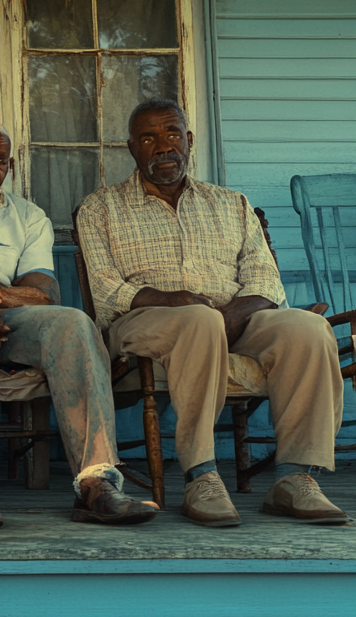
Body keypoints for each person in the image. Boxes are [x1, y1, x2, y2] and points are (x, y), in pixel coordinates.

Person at [79, 99, 346, 527]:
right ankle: (201, 475)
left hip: (234, 318)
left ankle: (295, 478)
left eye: (172, 134)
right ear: (132, 148)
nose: (163, 146)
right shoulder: (101, 208)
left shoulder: (231, 204)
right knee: (198, 320)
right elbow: (107, 292)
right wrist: (177, 302)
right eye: (149, 137)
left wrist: (229, 315)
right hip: (147, 320)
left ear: (188, 140)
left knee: (308, 328)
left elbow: (266, 281)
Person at [0, 120, 159, 529]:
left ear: (11, 166)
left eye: (0, 160)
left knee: (72, 322)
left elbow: (42, 292)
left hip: (6, 313)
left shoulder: (27, 215)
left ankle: (97, 482)